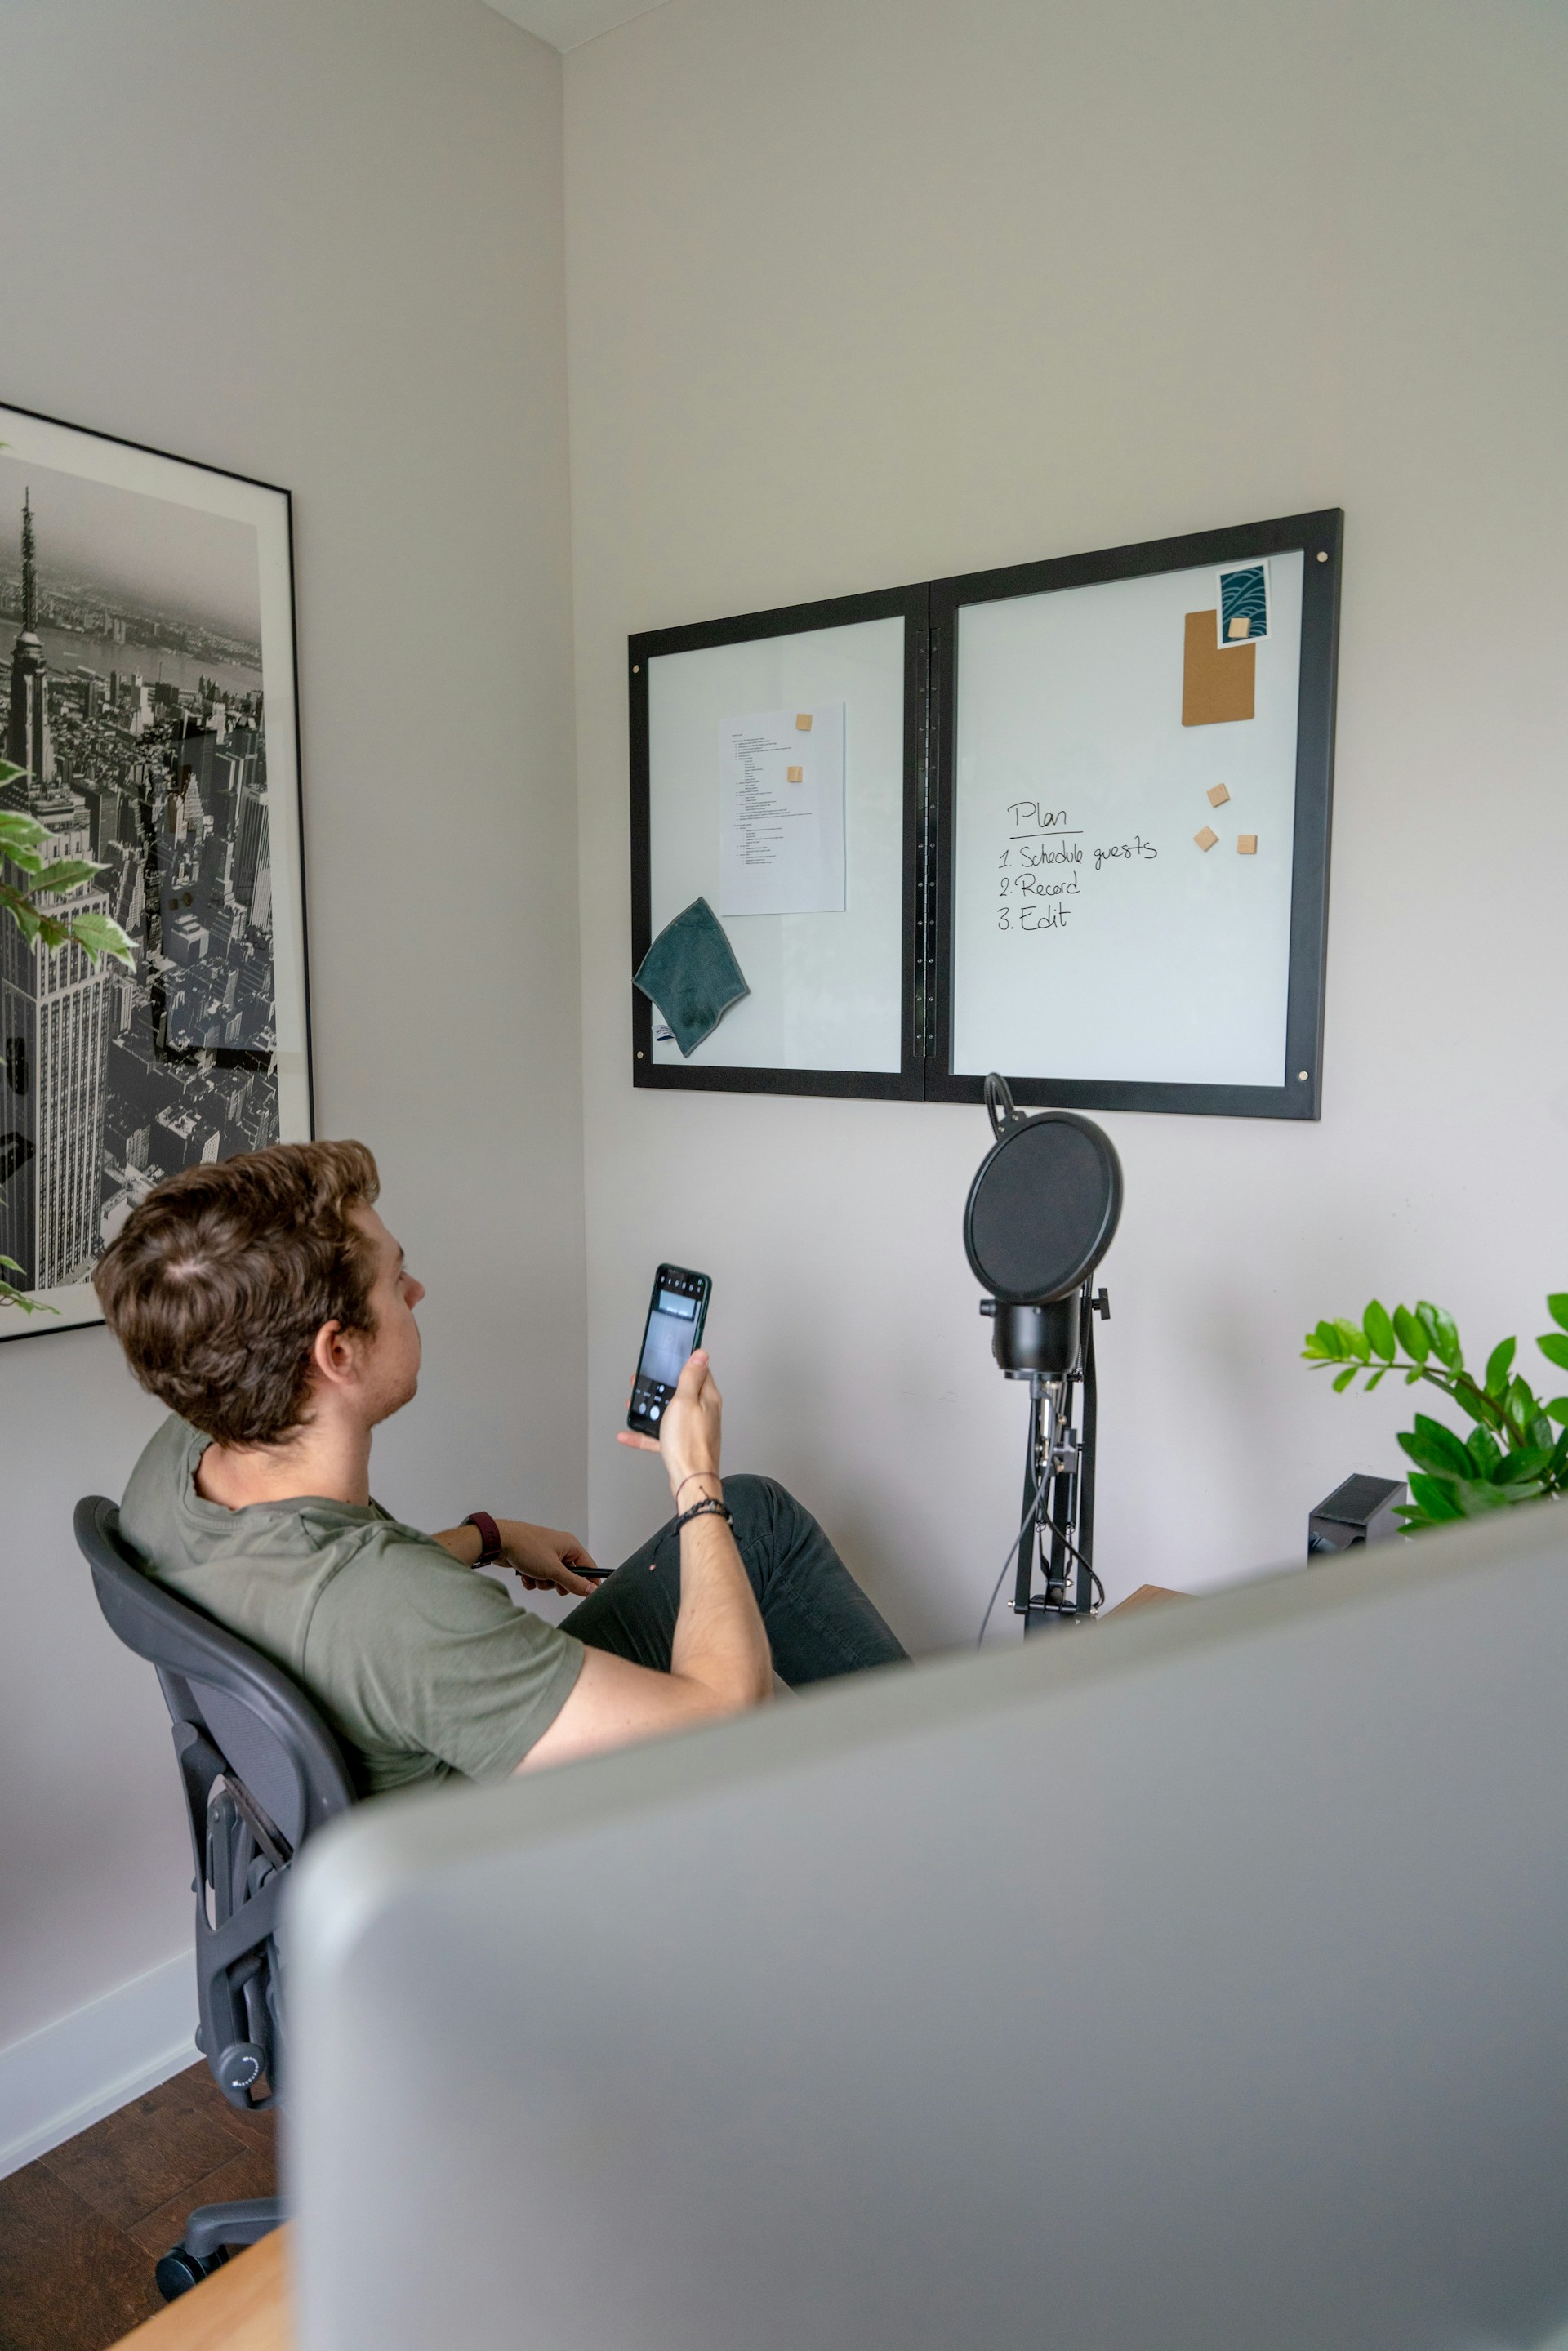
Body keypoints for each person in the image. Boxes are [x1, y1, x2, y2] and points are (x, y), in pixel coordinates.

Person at [96, 1139, 905, 1795]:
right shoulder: (395, 1612)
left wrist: (489, 1537)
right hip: (509, 1855)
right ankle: (960, 1787)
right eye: (392, 1278)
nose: (416, 1289)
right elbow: (724, 1711)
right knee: (734, 1515)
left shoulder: (183, 1453)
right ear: (337, 1351)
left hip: (413, 1740)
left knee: (758, 1520)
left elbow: (348, 1611)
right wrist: (696, 1481)